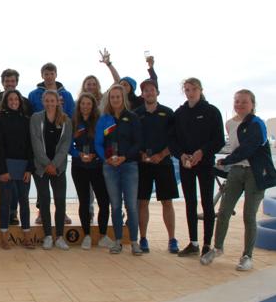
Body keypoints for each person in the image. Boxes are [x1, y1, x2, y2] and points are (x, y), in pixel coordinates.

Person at [201, 90, 276, 270]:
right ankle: (217, 248)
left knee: (249, 216)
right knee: (224, 211)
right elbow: (232, 149)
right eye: (237, 101)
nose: (240, 104)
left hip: (255, 173)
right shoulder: (229, 124)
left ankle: (247, 256)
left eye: (244, 102)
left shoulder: (258, 124)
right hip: (236, 171)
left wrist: (226, 161)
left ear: (252, 104)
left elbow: (248, 148)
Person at [169, 78, 225, 258]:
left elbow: (219, 141)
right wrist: (181, 155)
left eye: (193, 89)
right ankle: (193, 243)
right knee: (190, 202)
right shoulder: (179, 113)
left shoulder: (212, 112)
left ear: (200, 90)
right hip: (186, 164)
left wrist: (202, 152)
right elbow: (173, 141)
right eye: (187, 90)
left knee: (207, 203)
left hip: (206, 164)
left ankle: (207, 244)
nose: (190, 93)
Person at [95, 84, 143, 255]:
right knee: (115, 205)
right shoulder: (104, 119)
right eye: (112, 97)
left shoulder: (133, 117)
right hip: (110, 167)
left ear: (123, 98)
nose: (115, 99)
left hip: (129, 165)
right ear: (109, 99)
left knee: (131, 205)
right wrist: (106, 158)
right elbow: (98, 144)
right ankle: (117, 241)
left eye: (118, 96)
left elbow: (138, 143)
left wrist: (125, 157)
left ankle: (134, 242)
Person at [135, 79, 179, 254]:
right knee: (142, 202)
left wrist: (161, 155)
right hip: (143, 165)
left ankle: (172, 239)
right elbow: (133, 138)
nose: (149, 93)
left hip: (164, 163)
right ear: (142, 94)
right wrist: (141, 154)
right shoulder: (136, 113)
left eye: (152, 90)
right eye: (146, 91)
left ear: (157, 92)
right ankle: (143, 238)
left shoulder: (168, 113)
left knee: (167, 202)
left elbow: (174, 139)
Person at [0, 69, 34, 226]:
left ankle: (14, 214)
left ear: (17, 82)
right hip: (0, 153)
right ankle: (8, 216)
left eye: (12, 81)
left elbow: (30, 135)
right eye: (7, 81)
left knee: (20, 194)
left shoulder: (26, 103)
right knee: (6, 191)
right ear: (2, 82)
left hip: (21, 157)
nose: (10, 84)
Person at [28, 63, 74, 225]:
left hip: (60, 147)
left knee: (59, 192)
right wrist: (45, 161)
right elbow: (30, 116)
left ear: (56, 74)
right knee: (43, 191)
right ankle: (41, 212)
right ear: (42, 75)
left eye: (51, 73)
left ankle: (63, 214)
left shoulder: (66, 95)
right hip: (41, 147)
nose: (49, 76)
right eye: (46, 74)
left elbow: (72, 116)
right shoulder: (33, 94)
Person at [30, 90, 73, 250]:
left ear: (58, 102)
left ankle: (60, 236)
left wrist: (54, 165)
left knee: (60, 201)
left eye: (52, 100)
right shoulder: (36, 118)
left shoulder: (66, 120)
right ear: (43, 101)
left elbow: (65, 145)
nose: (49, 103)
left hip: (59, 168)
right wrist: (46, 164)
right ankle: (48, 235)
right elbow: (36, 144)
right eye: (46, 100)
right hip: (41, 168)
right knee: (45, 201)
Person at [0, 90, 35, 249]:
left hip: (23, 167)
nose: (13, 101)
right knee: (5, 202)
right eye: (10, 99)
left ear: (20, 101)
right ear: (6, 101)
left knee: (24, 202)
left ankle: (27, 237)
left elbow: (30, 146)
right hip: (5, 167)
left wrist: (29, 168)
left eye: (16, 99)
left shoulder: (26, 120)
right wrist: (3, 170)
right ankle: (4, 237)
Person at [70, 93, 112, 249]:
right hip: (79, 167)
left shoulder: (101, 121)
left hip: (97, 167)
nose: (85, 106)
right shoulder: (73, 122)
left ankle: (103, 236)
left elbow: (106, 143)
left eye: (88, 104)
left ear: (93, 106)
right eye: (82, 104)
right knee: (85, 201)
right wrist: (78, 154)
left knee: (103, 201)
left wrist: (97, 155)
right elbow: (69, 146)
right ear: (79, 106)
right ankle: (86, 235)